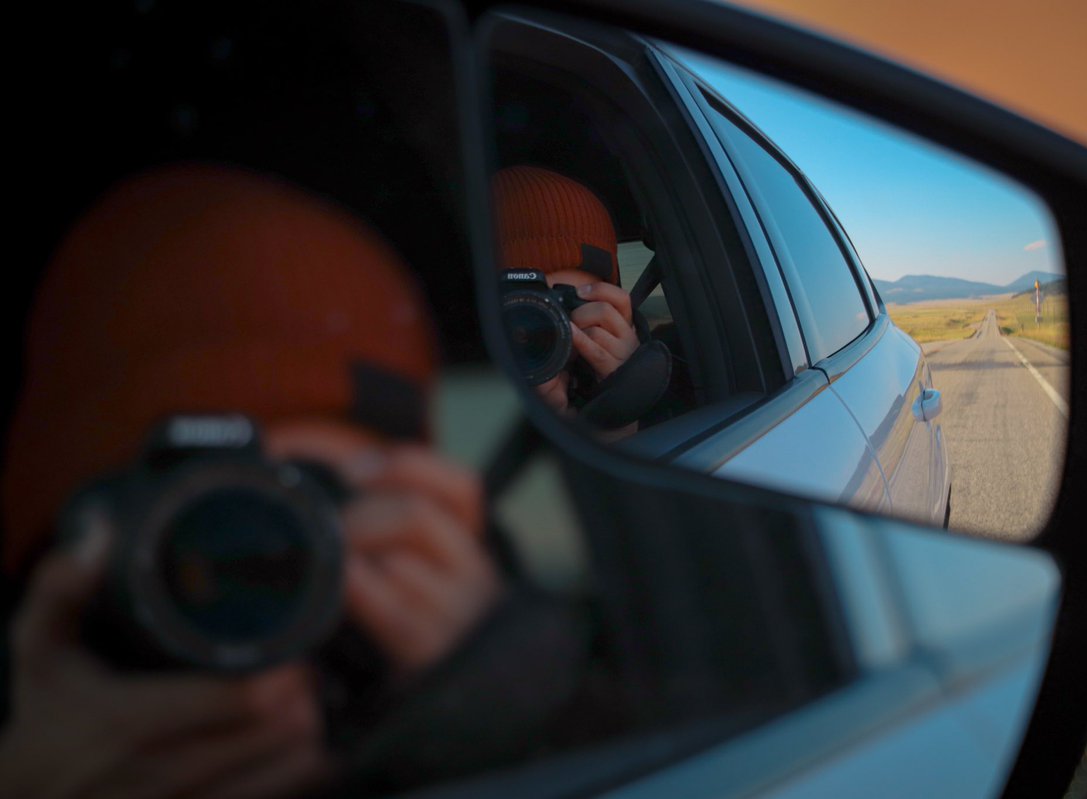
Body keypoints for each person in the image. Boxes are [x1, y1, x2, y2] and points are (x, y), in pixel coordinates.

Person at [0, 164, 585, 798]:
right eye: (187, 544)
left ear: (419, 521)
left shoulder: (473, 704)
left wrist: (496, 707)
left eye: (307, 520)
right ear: (51, 566)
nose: (250, 626)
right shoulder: (30, 725)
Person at [492, 165, 669, 434]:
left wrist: (619, 402)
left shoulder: (640, 394)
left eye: (563, 304)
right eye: (522, 307)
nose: (541, 328)